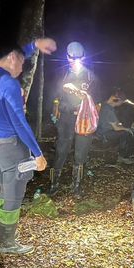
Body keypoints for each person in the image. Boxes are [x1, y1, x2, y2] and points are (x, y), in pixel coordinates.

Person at [0, 37, 56, 254]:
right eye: (21, 63)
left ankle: (4, 237)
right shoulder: (9, 83)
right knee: (13, 194)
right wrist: (37, 153)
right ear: (12, 58)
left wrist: (34, 46)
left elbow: (14, 53)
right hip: (12, 147)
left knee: (4, 191)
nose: (22, 69)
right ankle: (7, 243)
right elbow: (20, 123)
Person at [49, 41, 98, 196]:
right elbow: (54, 95)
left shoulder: (90, 75)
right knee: (61, 150)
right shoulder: (61, 73)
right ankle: (53, 184)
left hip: (83, 119)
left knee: (80, 153)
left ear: (84, 57)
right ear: (67, 56)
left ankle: (77, 186)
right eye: (72, 58)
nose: (75, 61)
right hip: (66, 118)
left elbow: (97, 99)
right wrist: (55, 109)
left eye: (79, 58)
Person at [96, 90, 134, 165]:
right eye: (121, 102)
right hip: (104, 134)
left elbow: (116, 123)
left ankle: (121, 153)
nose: (121, 104)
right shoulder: (109, 109)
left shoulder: (104, 104)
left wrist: (122, 126)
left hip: (100, 131)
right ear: (118, 100)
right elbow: (116, 128)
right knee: (126, 133)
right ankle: (123, 157)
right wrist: (127, 129)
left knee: (125, 129)